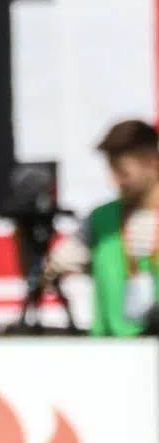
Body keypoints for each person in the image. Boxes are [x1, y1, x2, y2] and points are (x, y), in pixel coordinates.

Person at [43, 119, 159, 338]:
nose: (113, 181)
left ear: (153, 163)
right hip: (109, 353)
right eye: (111, 170)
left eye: (123, 172)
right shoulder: (100, 219)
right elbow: (47, 270)